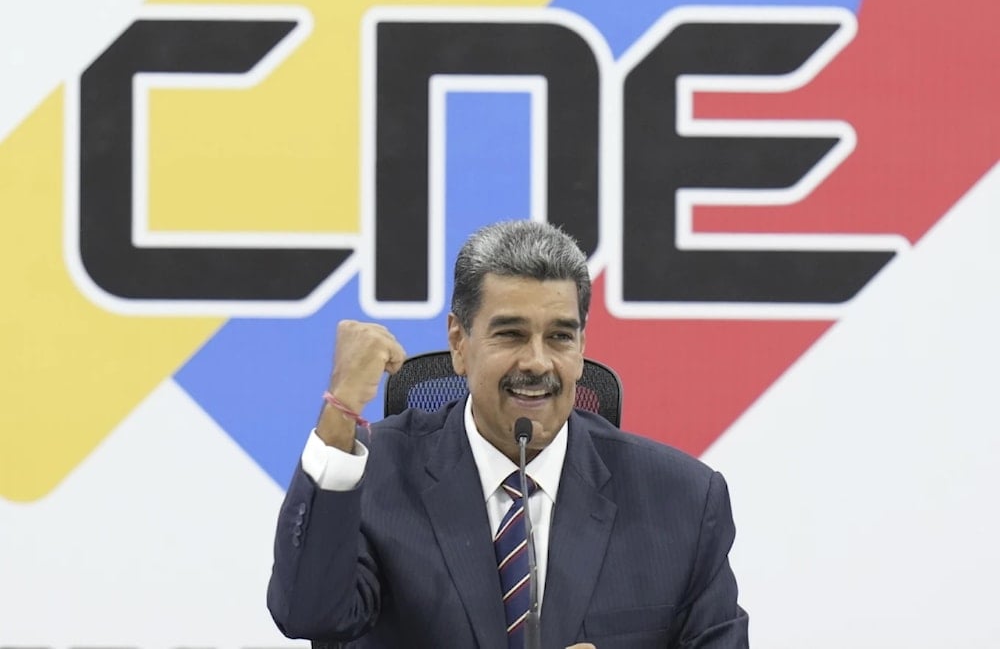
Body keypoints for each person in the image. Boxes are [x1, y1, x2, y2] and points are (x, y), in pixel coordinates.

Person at [267, 220, 749, 648]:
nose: (537, 362)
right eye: (511, 334)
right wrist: (340, 411)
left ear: (582, 347)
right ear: (459, 343)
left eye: (560, 336)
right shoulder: (375, 473)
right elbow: (308, 614)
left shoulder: (682, 501)